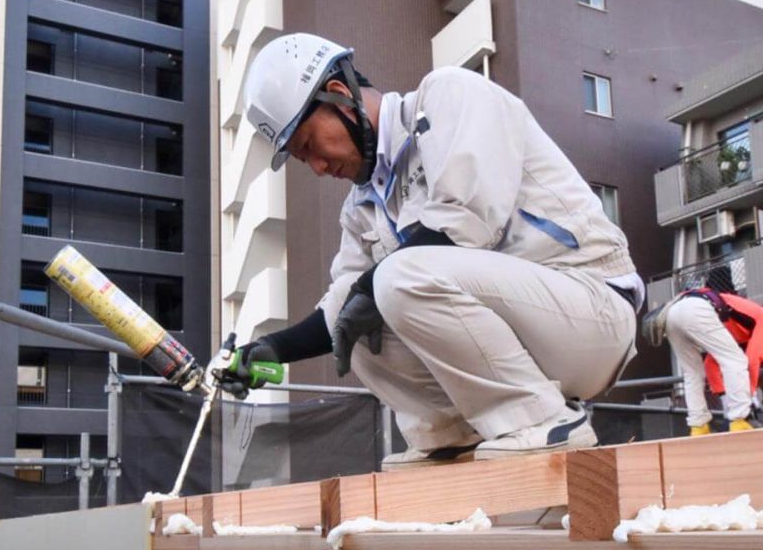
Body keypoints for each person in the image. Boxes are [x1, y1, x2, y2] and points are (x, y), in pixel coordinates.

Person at [232, 34, 643, 469]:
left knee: (390, 280)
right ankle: (451, 437)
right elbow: (346, 304)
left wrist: (372, 288)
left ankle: (543, 422)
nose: (317, 167)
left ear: (339, 97)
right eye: (302, 160)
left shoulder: (447, 96)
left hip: (591, 314)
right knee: (351, 312)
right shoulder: (361, 207)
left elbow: (466, 222)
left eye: (311, 145)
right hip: (523, 335)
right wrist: (272, 348)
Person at [641, 287, 763, 435]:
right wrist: (750, 397)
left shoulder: (741, 328)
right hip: (697, 309)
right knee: (736, 361)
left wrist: (724, 396)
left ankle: (698, 426)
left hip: (673, 313)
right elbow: (752, 360)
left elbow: (711, 363)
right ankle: (740, 420)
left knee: (692, 373)